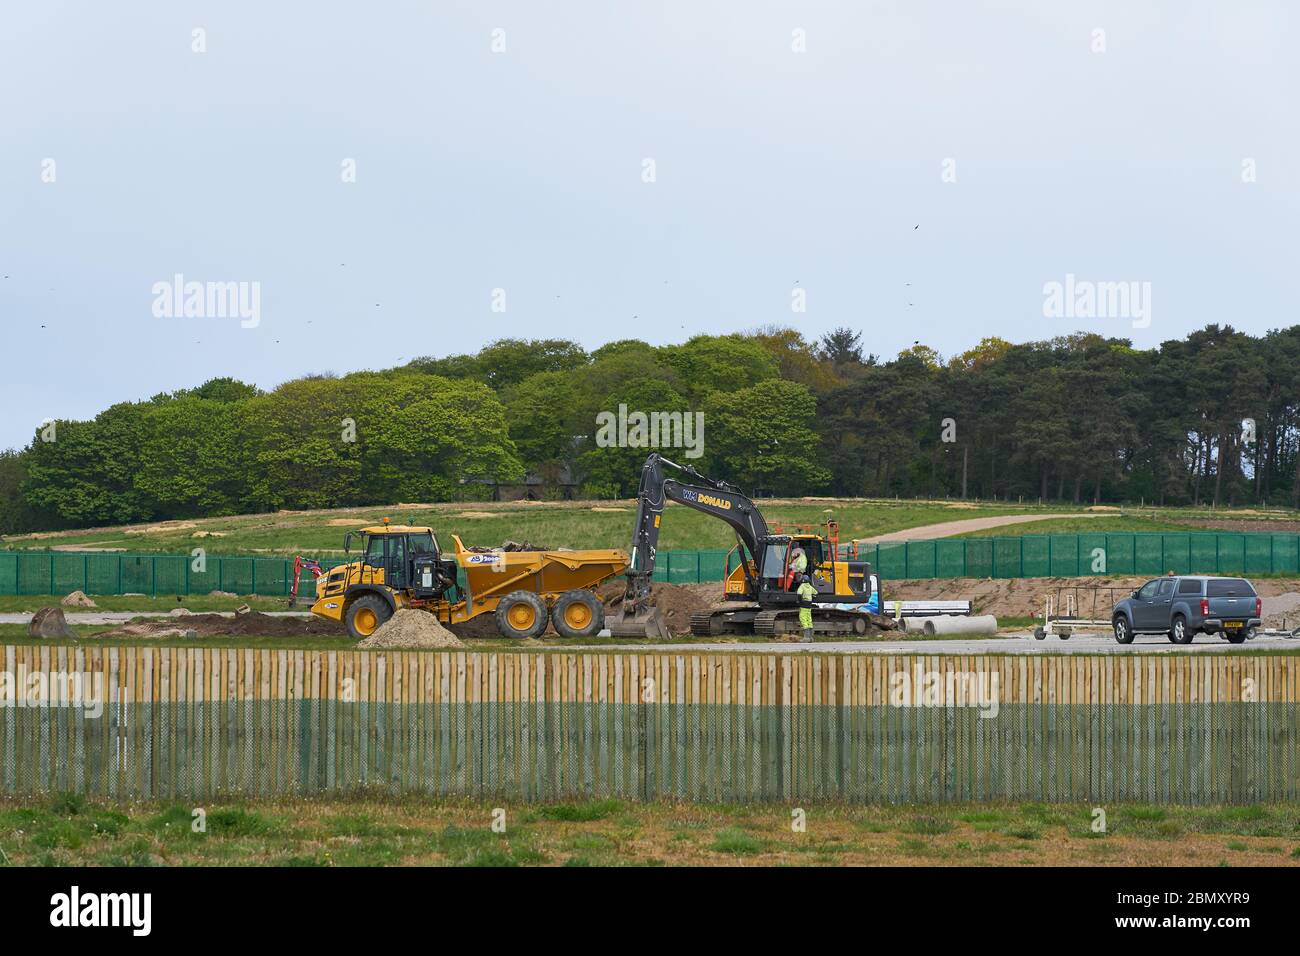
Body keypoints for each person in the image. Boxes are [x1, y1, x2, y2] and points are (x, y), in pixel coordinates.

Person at [795, 573, 817, 643]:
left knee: (803, 618)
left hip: (804, 604)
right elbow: (816, 593)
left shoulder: (802, 586)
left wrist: (800, 601)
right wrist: (812, 598)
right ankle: (810, 638)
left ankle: (806, 638)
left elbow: (799, 594)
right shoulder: (810, 587)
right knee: (809, 619)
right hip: (809, 605)